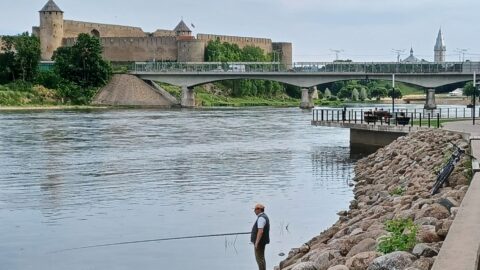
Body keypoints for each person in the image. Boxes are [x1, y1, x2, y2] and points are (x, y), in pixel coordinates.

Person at [251, 203, 270, 270]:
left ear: (259, 209)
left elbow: (260, 231)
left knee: (259, 259)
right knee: (261, 258)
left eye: (255, 209)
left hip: (260, 242)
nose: (254, 211)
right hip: (262, 241)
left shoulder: (261, 218)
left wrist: (256, 242)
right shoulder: (264, 216)